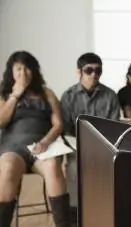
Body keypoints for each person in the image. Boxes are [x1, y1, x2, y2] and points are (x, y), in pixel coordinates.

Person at [0, 51, 69, 227]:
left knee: (53, 165)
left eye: (27, 68)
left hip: (42, 146)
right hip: (12, 148)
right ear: (11, 72)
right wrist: (16, 94)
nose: (23, 73)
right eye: (18, 69)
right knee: (7, 168)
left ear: (34, 71)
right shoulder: (4, 94)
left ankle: (63, 224)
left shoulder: (46, 93)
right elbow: (1, 121)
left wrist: (45, 142)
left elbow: (58, 124)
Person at [60, 52, 120, 224]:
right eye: (89, 70)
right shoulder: (68, 96)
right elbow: (65, 129)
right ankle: (74, 216)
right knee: (73, 167)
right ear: (78, 72)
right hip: (76, 146)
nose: (94, 74)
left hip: (104, 146)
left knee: (112, 169)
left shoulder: (110, 96)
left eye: (98, 70)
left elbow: (114, 127)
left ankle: (104, 214)